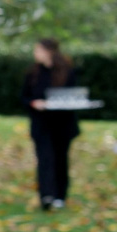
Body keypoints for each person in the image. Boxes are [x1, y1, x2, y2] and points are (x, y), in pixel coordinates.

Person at [22, 39, 79, 210]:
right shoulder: (33, 73)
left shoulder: (66, 72)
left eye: (38, 50)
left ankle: (60, 195)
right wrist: (34, 103)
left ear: (49, 51)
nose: (35, 53)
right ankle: (46, 195)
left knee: (60, 159)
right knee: (45, 159)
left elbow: (73, 96)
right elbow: (24, 96)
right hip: (42, 124)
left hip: (62, 123)